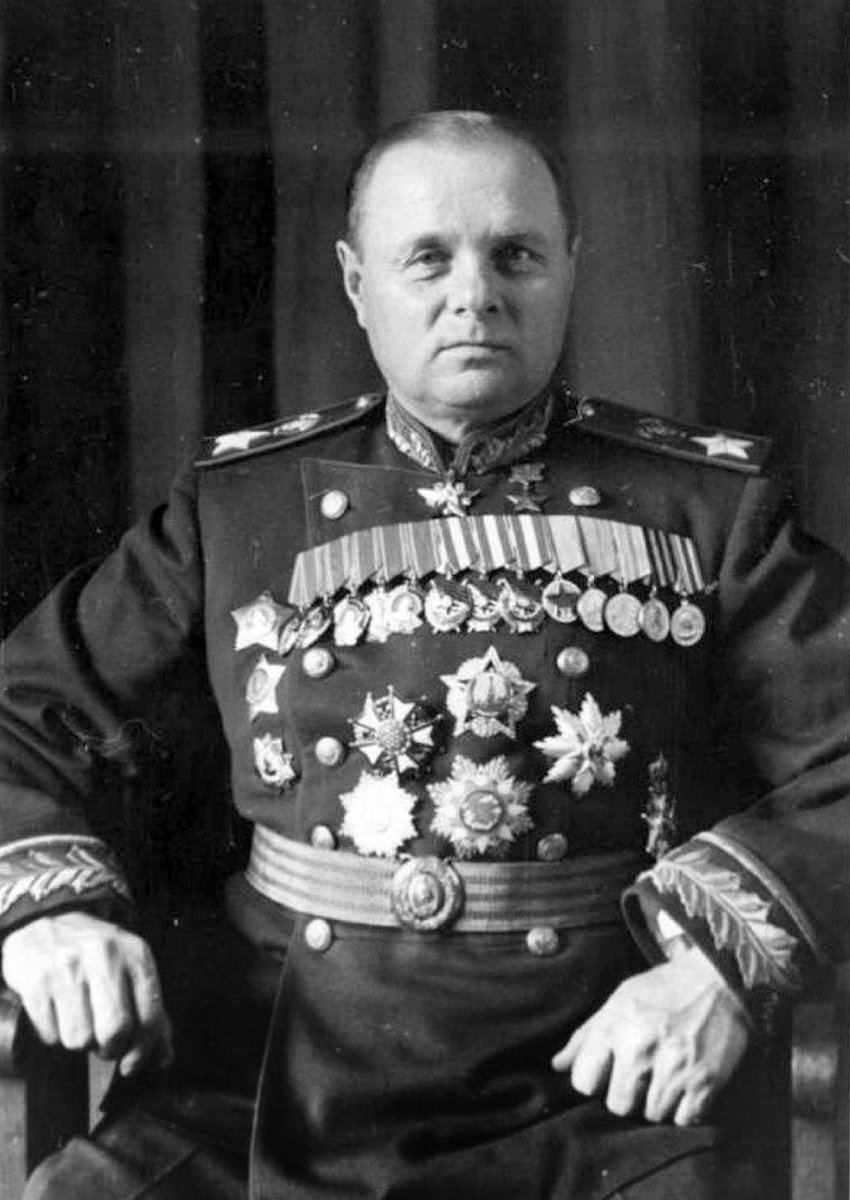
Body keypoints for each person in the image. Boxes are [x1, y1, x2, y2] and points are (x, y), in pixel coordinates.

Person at [0, 110, 847, 1200]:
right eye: (428, 258)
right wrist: (46, 916)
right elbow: (22, 714)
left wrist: (721, 972)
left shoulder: (708, 509)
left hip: (601, 1085)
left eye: (516, 254)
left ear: (570, 268)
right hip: (263, 1076)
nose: (475, 295)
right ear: (358, 284)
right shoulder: (237, 507)